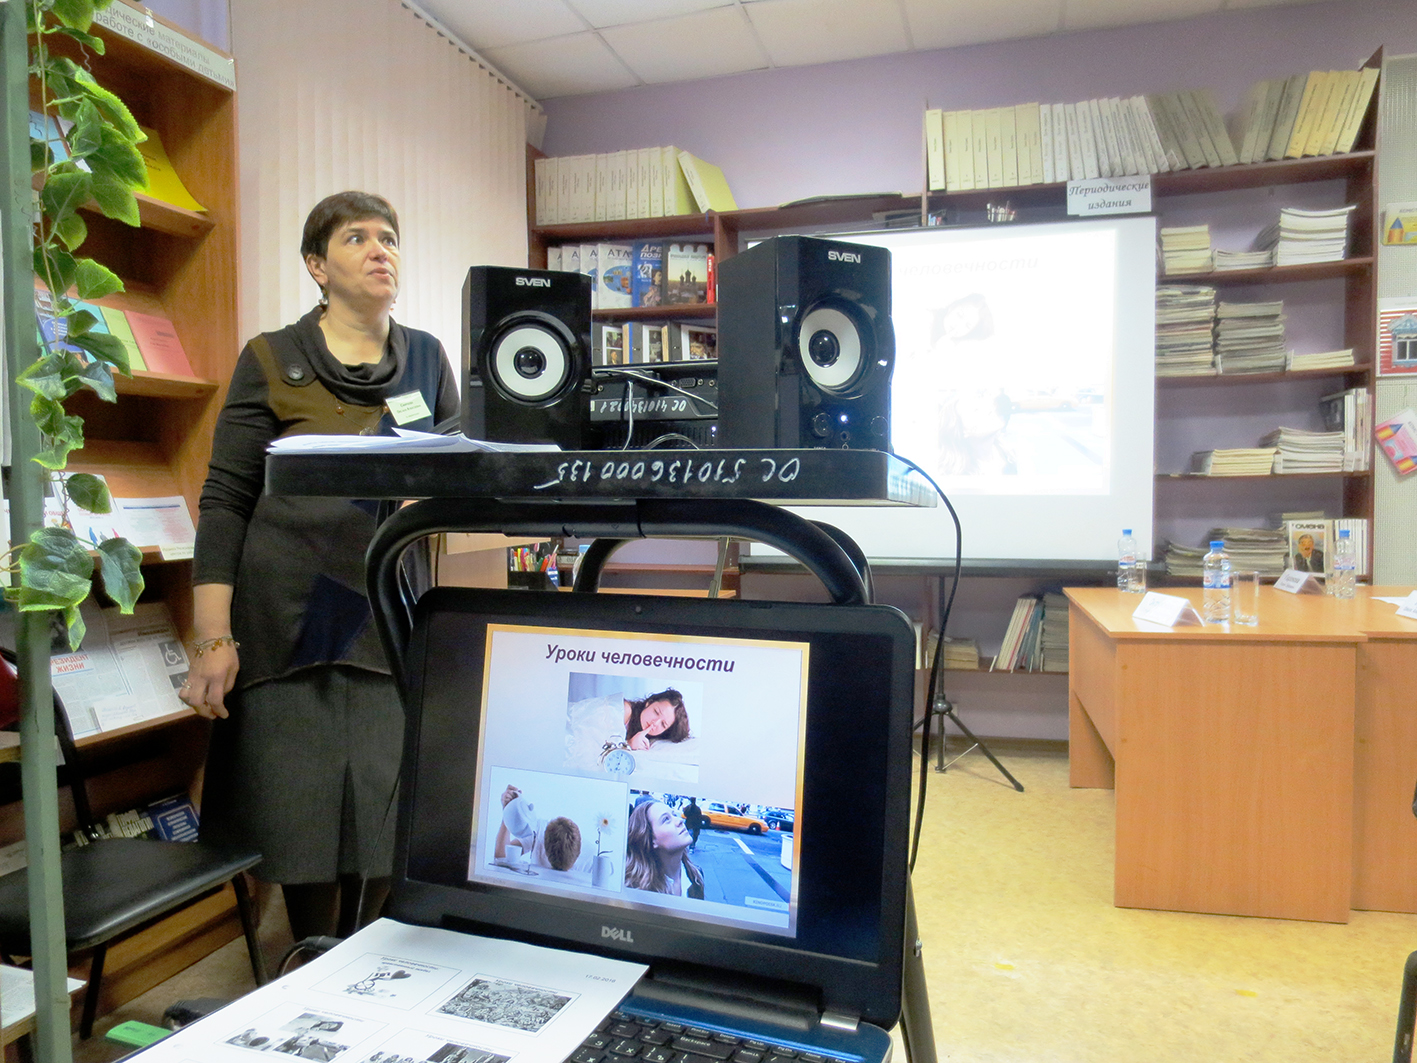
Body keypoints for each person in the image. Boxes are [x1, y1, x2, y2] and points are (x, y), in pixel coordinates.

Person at [184, 191, 459, 941]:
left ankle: (367, 951)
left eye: (389, 238)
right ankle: (311, 953)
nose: (380, 250)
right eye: (356, 238)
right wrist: (212, 635)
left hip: (383, 609)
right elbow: (227, 497)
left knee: (383, 799)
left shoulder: (427, 358)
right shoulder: (272, 358)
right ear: (317, 265)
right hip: (285, 612)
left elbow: (456, 474)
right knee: (298, 809)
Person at [564, 688, 691, 770]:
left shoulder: (644, 734)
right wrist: (628, 745)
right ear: (649, 702)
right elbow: (586, 751)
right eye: (656, 712)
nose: (655, 723)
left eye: (663, 724)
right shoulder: (623, 710)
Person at [492, 784, 589, 873]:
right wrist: (508, 812)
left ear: (579, 852)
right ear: (543, 841)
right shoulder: (538, 832)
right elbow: (502, 857)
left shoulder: (590, 861)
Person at [623, 799, 704, 899]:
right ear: (651, 839)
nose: (680, 821)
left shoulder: (696, 876)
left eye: (674, 815)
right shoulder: (636, 891)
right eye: (666, 819)